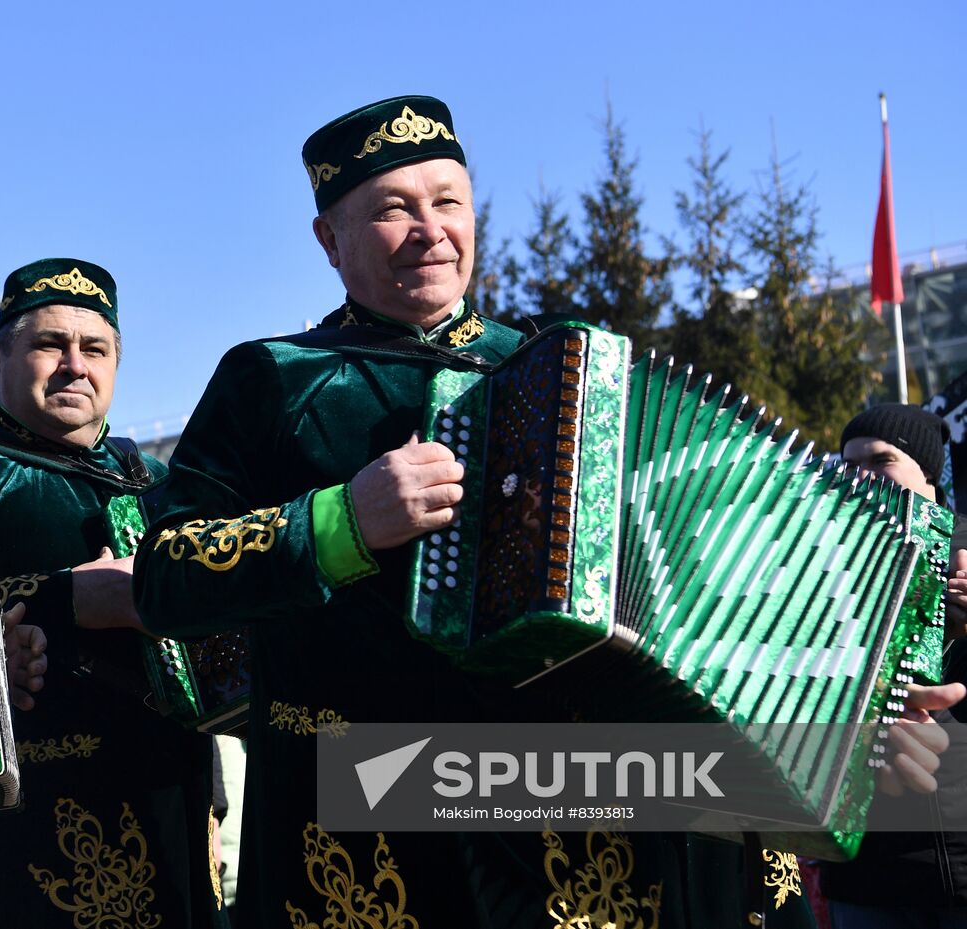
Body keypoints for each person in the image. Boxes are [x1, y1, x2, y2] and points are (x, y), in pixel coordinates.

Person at [131, 95, 958, 928]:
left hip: (571, 837)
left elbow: (710, 615)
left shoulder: (569, 379)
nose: (430, 229)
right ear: (329, 241)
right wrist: (343, 519)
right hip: (367, 833)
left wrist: (849, 734)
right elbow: (163, 579)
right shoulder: (272, 378)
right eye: (393, 209)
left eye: (449, 201)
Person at [0, 258, 226, 928]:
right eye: (48, 344)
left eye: (94, 348)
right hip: (25, 837)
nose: (74, 364)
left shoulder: (163, 484)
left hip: (171, 803)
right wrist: (61, 603)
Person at [819, 404, 967, 928]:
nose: (859, 477)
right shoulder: (816, 559)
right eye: (847, 464)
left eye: (881, 461)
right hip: (864, 875)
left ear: (928, 480)